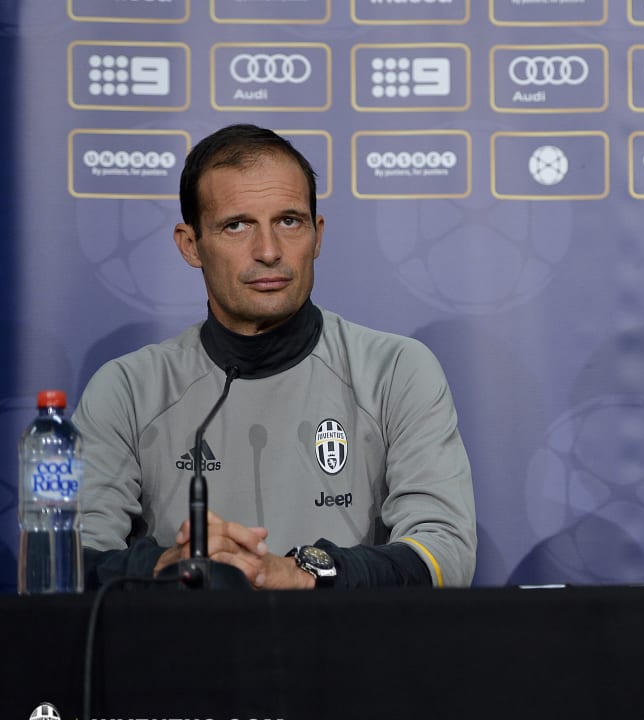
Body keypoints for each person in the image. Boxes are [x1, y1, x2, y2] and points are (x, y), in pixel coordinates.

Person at [75, 124, 476, 589]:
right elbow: (66, 563)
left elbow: (445, 554)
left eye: (289, 221)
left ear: (317, 236)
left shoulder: (396, 371)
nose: (268, 251)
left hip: (346, 636)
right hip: (184, 637)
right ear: (190, 245)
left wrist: (302, 571)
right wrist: (163, 565)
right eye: (237, 225)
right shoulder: (127, 389)